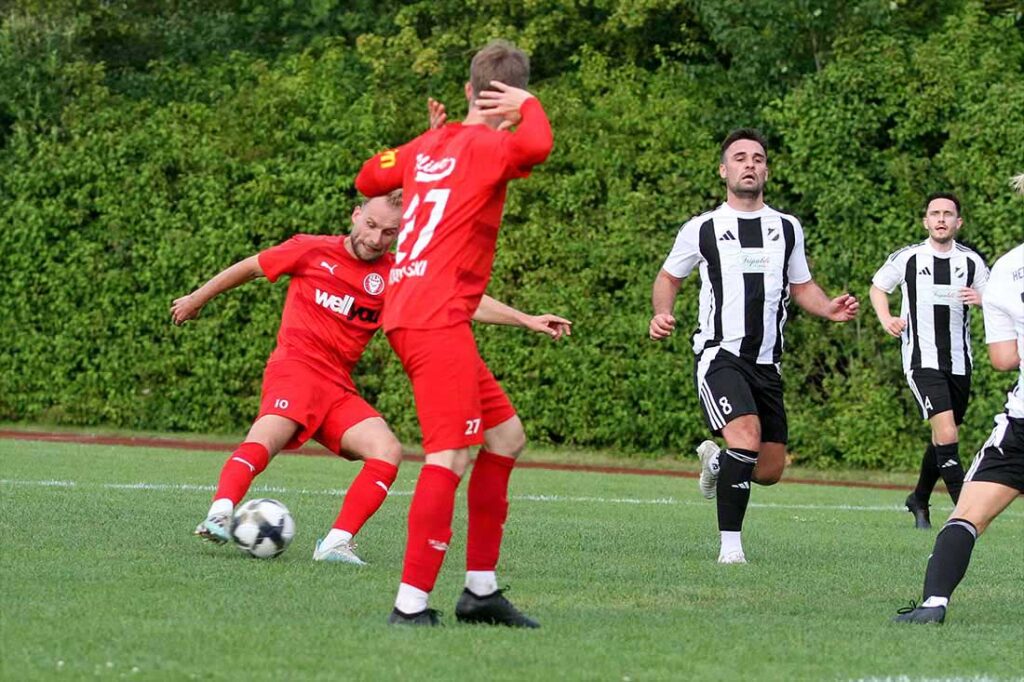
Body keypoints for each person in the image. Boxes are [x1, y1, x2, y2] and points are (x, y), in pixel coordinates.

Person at [173, 191, 570, 566]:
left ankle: (336, 542)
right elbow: (251, 266)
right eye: (371, 225)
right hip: (295, 369)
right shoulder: (311, 250)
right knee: (266, 439)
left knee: (387, 451)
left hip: (337, 387)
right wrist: (196, 299)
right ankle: (220, 513)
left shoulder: (397, 274)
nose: (376, 239)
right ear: (356, 215)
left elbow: (460, 299)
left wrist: (526, 319)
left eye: (389, 232)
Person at [355, 39, 554, 626]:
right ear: (509, 96)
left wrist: (424, 145)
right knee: (450, 454)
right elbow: (538, 144)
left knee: (506, 437)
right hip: (435, 319)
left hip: (416, 310)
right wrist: (529, 106)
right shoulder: (493, 147)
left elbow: (369, 175)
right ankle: (410, 605)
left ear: (468, 89)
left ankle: (480, 592)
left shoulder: (428, 146)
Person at [649, 128, 859, 564]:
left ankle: (717, 463)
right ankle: (731, 551)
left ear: (766, 171)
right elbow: (669, 277)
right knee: (744, 437)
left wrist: (828, 308)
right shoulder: (703, 228)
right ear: (723, 170)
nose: (750, 164)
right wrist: (661, 312)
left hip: (767, 363)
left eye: (758, 158)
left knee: (768, 470)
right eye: (740, 158)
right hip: (720, 355)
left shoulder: (786, 227)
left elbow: (802, 285)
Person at [893, 222, 1022, 624]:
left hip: (1021, 425)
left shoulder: (1007, 268)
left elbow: (1003, 358)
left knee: (966, 516)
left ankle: (933, 604)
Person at [869, 194, 988, 529]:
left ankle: (919, 498)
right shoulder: (908, 258)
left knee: (943, 436)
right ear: (926, 221)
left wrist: (981, 299)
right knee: (947, 432)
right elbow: (878, 288)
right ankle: (965, 514)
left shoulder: (971, 262)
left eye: (947, 214)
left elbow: (996, 298)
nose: (941, 219)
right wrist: (886, 318)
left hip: (960, 362)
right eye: (935, 213)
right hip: (922, 360)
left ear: (958, 222)